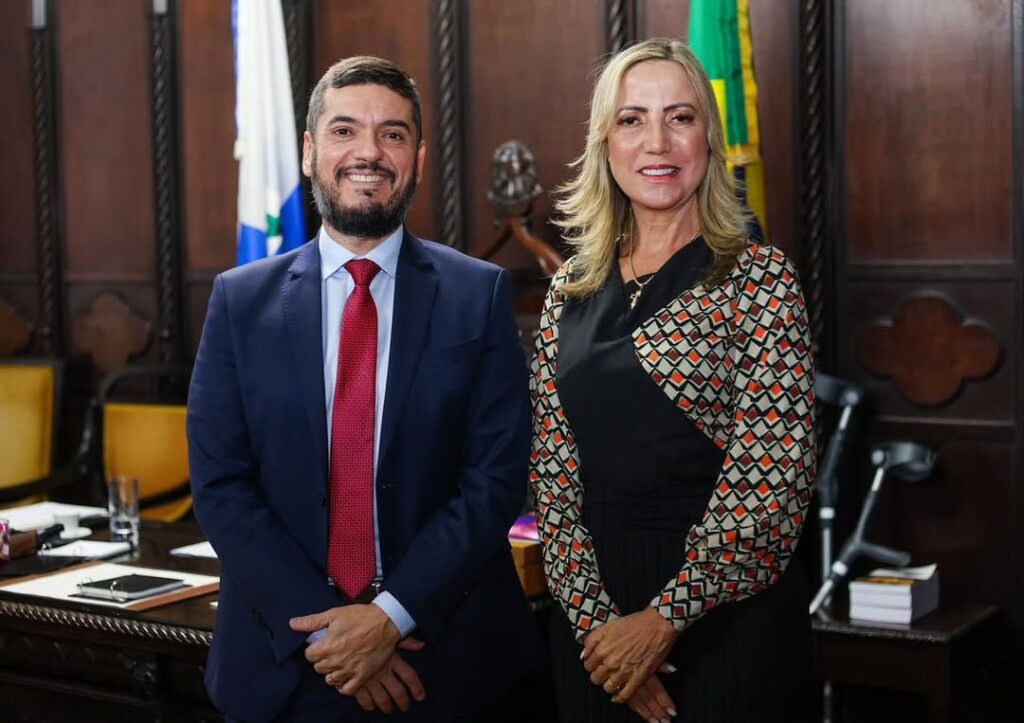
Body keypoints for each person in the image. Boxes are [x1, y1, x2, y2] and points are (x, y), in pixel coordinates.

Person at [188, 55, 539, 722]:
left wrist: (388, 616)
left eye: (393, 134)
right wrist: (331, 635)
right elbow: (220, 484)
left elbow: (493, 479)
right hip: (285, 665)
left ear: (418, 159)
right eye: (345, 130)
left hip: (444, 661)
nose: (369, 153)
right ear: (309, 151)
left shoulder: (478, 294)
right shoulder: (240, 302)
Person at [530, 38, 817, 723]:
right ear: (605, 143)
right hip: (592, 629)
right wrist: (600, 630)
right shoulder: (568, 288)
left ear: (709, 140)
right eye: (632, 119)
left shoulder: (760, 278)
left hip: (727, 619)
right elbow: (551, 478)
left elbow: (772, 480)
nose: (656, 141)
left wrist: (662, 620)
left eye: (679, 117)